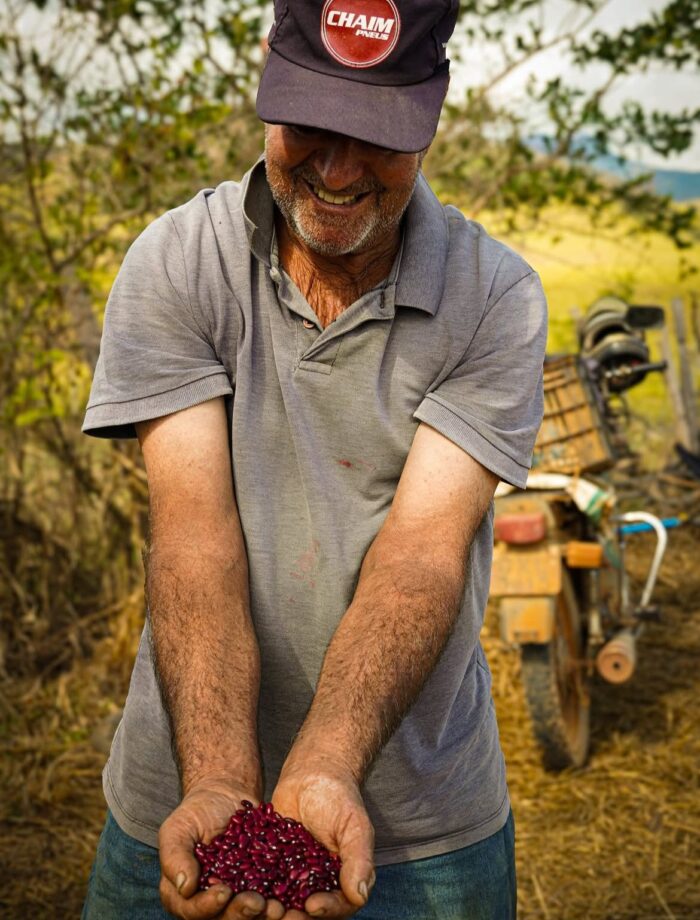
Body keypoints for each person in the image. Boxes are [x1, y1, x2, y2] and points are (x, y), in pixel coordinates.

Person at [81, 1, 547, 918]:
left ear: (432, 109)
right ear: (269, 80)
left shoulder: (495, 297)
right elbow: (195, 540)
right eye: (311, 124)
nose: (336, 171)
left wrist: (327, 766)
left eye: (374, 135)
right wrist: (218, 782)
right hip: (173, 802)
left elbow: (420, 552)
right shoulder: (178, 263)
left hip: (425, 834)